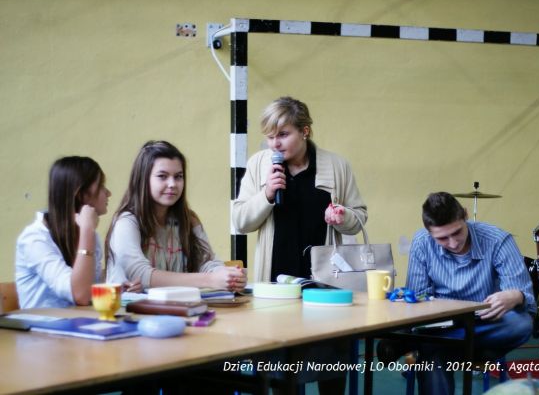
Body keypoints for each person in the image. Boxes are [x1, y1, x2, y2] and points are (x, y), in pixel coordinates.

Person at [232, 96, 367, 394]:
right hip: (276, 289)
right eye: (270, 137)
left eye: (283, 134)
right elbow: (240, 221)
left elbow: (359, 217)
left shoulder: (337, 166)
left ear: (305, 131)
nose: (275, 144)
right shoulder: (259, 165)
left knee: (330, 372)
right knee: (283, 377)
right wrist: (267, 195)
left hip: (326, 288)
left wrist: (343, 216)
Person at [378, 192, 535, 394]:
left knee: (521, 323)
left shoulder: (497, 240)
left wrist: (515, 296)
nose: (453, 243)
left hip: (483, 321)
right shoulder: (422, 242)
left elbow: (525, 298)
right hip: (441, 323)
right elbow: (417, 300)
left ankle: (415, 342)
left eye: (457, 232)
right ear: (429, 232)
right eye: (442, 238)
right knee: (434, 350)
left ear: (466, 215)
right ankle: (446, 344)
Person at [106, 140, 246, 291]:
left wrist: (228, 276)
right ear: (143, 179)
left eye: (178, 176)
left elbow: (207, 262)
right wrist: (210, 279)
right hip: (128, 306)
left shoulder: (189, 220)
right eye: (162, 176)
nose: (172, 184)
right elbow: (140, 274)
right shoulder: (127, 221)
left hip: (177, 304)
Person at [15, 156, 121, 308]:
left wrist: (119, 288)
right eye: (101, 186)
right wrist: (87, 231)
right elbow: (81, 295)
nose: (108, 193)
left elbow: (89, 293)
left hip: (78, 320)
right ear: (81, 194)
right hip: (43, 323)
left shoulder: (88, 235)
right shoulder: (35, 238)